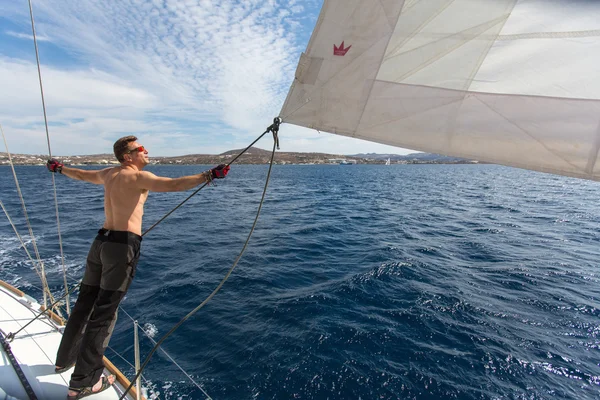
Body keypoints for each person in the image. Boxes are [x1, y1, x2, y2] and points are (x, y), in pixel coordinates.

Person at [47, 135, 230, 399]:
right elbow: (174, 184)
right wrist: (209, 175)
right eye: (140, 149)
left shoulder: (109, 174)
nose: (147, 151)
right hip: (122, 247)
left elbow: (82, 175)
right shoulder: (137, 177)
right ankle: (83, 383)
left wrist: (60, 168)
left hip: (100, 244)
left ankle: (64, 360)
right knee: (104, 314)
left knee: (84, 303)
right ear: (128, 157)